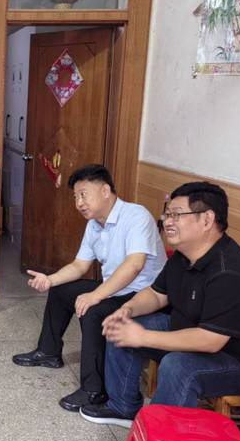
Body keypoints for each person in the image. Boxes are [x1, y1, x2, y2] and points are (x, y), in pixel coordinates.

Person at [80, 182, 240, 428]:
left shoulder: (231, 272)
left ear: (207, 220)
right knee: (121, 326)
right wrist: (127, 310)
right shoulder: (183, 256)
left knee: (178, 366)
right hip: (191, 331)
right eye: (167, 214)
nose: (167, 222)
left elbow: (211, 340)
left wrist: (143, 337)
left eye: (176, 215)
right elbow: (156, 295)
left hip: (239, 361)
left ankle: (160, 434)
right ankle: (123, 407)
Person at [13, 164, 166, 411]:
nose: (79, 203)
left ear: (105, 190)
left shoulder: (136, 216)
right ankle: (49, 352)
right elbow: (79, 266)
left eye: (83, 195)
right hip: (115, 288)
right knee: (62, 290)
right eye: (75, 197)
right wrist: (50, 280)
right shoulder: (94, 224)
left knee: (93, 310)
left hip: (143, 294)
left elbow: (134, 266)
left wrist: (96, 295)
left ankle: (94, 389)